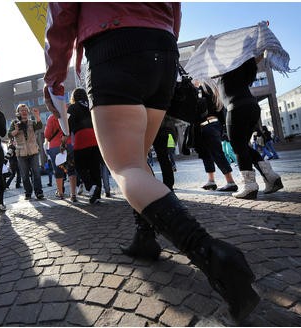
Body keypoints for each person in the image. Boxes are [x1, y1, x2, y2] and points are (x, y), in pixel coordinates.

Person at [44, 3, 259, 321]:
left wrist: (54, 79)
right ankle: (144, 237)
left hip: (112, 45)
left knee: (125, 166)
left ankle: (213, 256)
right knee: (138, 160)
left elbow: (61, 16)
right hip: (161, 47)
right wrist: (165, 37)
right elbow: (176, 9)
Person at [217, 59, 283, 199]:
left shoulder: (229, 69)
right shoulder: (245, 69)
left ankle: (249, 186)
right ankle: (271, 177)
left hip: (236, 108)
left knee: (239, 148)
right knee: (244, 148)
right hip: (252, 106)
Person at [193, 84, 238, 192]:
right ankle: (211, 181)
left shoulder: (204, 89)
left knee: (216, 153)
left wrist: (196, 90)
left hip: (208, 124)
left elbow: (198, 106)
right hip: (212, 125)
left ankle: (230, 182)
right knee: (206, 154)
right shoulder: (215, 90)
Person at [67, 88, 102, 203]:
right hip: (95, 136)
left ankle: (91, 187)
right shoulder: (91, 105)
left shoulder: (72, 107)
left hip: (81, 137)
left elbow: (69, 124)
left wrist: (65, 136)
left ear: (74, 97)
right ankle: (96, 195)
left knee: (79, 165)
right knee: (95, 167)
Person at [8, 104, 44, 200]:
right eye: (21, 110)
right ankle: (28, 192)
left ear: (27, 112)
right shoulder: (14, 123)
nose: (23, 112)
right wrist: (16, 130)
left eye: (25, 110)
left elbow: (40, 126)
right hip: (21, 153)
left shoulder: (32, 122)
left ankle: (39, 192)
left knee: (36, 172)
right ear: (18, 112)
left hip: (33, 151)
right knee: (24, 175)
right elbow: (9, 135)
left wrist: (37, 116)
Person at [44, 112, 77, 201]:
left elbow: (47, 135)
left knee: (58, 171)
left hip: (55, 146)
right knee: (71, 169)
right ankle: (73, 194)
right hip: (68, 144)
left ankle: (61, 193)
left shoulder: (51, 118)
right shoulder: (67, 115)